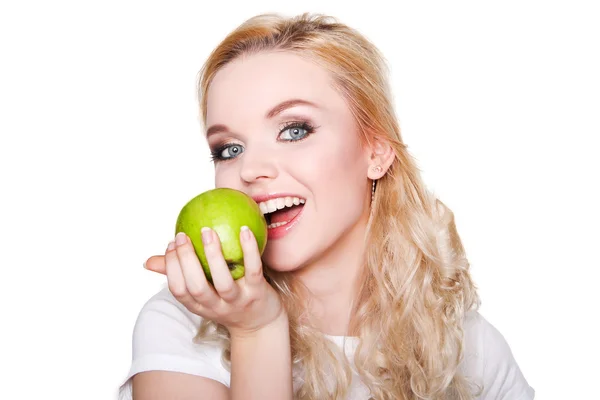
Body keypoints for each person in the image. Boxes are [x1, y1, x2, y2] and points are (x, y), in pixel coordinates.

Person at [118, 12, 535, 400]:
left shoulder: (466, 346)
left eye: (294, 129)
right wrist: (257, 330)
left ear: (376, 151)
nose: (250, 169)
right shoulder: (182, 325)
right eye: (229, 149)